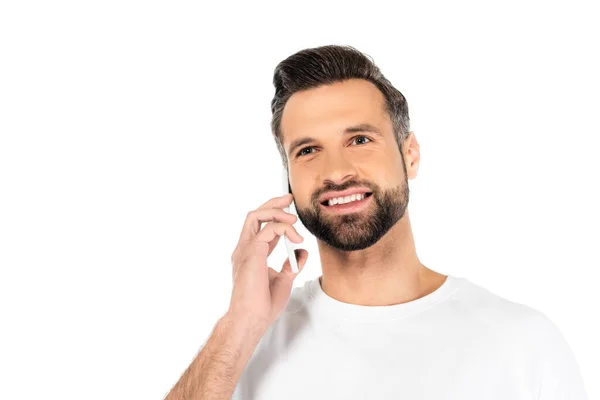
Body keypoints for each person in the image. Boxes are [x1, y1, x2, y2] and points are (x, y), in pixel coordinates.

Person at [164, 45, 588, 400]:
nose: (336, 171)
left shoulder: (520, 344)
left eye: (360, 140)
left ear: (410, 155)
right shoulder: (244, 348)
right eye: (308, 150)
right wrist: (240, 323)